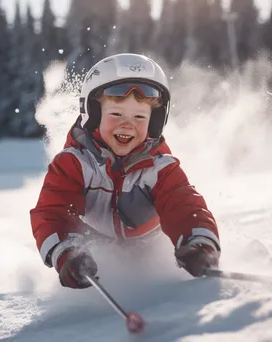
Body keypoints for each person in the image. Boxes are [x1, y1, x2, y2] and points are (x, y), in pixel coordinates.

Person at [30, 53, 220, 289]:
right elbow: (52, 211)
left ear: (154, 122)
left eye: (140, 117)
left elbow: (184, 205)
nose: (127, 124)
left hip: (151, 248)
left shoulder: (161, 168)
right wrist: (68, 252)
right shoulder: (74, 164)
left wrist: (199, 244)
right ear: (93, 115)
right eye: (116, 114)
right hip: (95, 254)